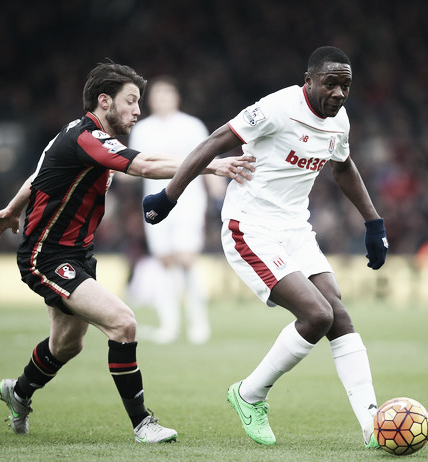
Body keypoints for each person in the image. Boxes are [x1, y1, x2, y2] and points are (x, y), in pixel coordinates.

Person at [0, 62, 254, 443]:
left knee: (66, 344)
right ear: (104, 101)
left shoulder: (80, 136)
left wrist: (11, 209)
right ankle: (143, 424)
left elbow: (36, 176)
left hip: (77, 254)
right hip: (47, 256)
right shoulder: (86, 137)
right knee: (123, 323)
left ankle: (19, 392)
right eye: (131, 101)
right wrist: (211, 164)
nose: (137, 110)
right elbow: (144, 165)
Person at [143, 46, 389, 448]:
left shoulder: (338, 120)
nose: (340, 92)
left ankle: (371, 425)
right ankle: (249, 394)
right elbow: (216, 142)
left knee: (337, 312)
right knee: (316, 315)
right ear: (308, 80)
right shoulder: (276, 108)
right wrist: (169, 196)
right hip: (250, 227)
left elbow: (343, 167)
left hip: (295, 228)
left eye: (346, 84)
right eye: (331, 83)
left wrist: (373, 222)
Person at [128, 76, 223, 345]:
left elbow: (208, 159)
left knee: (186, 259)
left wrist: (218, 194)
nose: (162, 100)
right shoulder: (142, 129)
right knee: (165, 262)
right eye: (157, 96)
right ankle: (169, 325)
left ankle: (198, 323)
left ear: (176, 98)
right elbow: (133, 165)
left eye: (167, 95)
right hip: (154, 202)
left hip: (189, 201)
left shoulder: (191, 126)